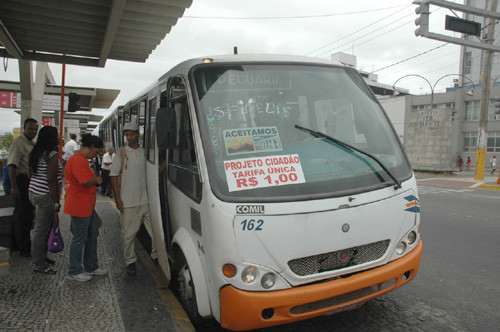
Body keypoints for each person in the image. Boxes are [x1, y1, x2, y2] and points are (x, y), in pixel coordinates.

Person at [110, 123, 157, 276]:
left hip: (146, 201)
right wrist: (118, 199)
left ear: (138, 134)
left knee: (156, 232)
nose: (129, 137)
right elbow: (113, 176)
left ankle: (157, 257)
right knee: (128, 235)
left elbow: (154, 172)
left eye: (131, 134)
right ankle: (130, 262)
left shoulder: (145, 153)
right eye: (127, 135)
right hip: (128, 202)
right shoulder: (121, 153)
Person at [64, 134, 107, 282]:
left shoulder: (82, 160)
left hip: (87, 206)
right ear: (90, 148)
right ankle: (74, 270)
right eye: (96, 152)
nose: (96, 155)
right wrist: (97, 180)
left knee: (92, 235)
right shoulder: (77, 161)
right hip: (79, 205)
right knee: (79, 238)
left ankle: (91, 265)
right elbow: (85, 181)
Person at [28, 126, 62, 274]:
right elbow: (52, 180)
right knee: (40, 230)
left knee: (45, 227)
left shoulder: (36, 152)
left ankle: (42, 256)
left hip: (33, 192)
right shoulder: (52, 154)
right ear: (51, 138)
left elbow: (30, 173)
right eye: (57, 135)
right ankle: (39, 263)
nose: (59, 138)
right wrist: (56, 201)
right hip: (45, 196)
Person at [8, 118, 39, 256]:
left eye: (35, 129)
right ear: (24, 128)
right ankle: (24, 248)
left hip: (27, 181)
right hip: (21, 181)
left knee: (20, 214)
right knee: (24, 216)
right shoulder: (19, 143)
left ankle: (16, 244)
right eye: (30, 128)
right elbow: (12, 166)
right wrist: (14, 187)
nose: (33, 131)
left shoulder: (30, 143)